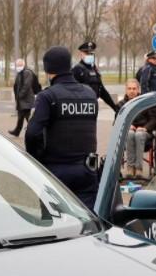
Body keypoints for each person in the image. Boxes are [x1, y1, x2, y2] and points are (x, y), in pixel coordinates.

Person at [26, 46, 100, 205]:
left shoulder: (48, 96)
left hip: (56, 171)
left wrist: (37, 161)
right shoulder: (89, 94)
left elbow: (32, 134)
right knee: (88, 222)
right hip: (87, 170)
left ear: (48, 70)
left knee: (55, 222)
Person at [117, 78, 156, 178]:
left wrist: (145, 128)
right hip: (127, 134)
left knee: (138, 134)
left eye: (134, 88)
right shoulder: (121, 105)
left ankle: (138, 169)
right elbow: (117, 121)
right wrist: (128, 125)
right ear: (126, 90)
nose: (132, 91)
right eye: (129, 88)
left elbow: (154, 119)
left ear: (138, 90)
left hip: (144, 135)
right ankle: (130, 168)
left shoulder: (146, 103)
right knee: (130, 133)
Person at [72, 40, 119, 115]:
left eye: (91, 53)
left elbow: (102, 91)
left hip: (93, 107)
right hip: (80, 110)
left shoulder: (94, 69)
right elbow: (72, 92)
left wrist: (115, 108)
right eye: (87, 53)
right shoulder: (77, 70)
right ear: (81, 54)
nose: (89, 55)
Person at [10, 58, 40, 137]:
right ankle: (17, 131)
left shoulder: (27, 73)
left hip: (26, 99)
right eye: (17, 65)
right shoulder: (20, 73)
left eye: (19, 65)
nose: (18, 66)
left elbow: (26, 85)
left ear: (23, 65)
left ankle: (35, 132)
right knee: (21, 116)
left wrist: (20, 95)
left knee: (27, 117)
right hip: (22, 100)